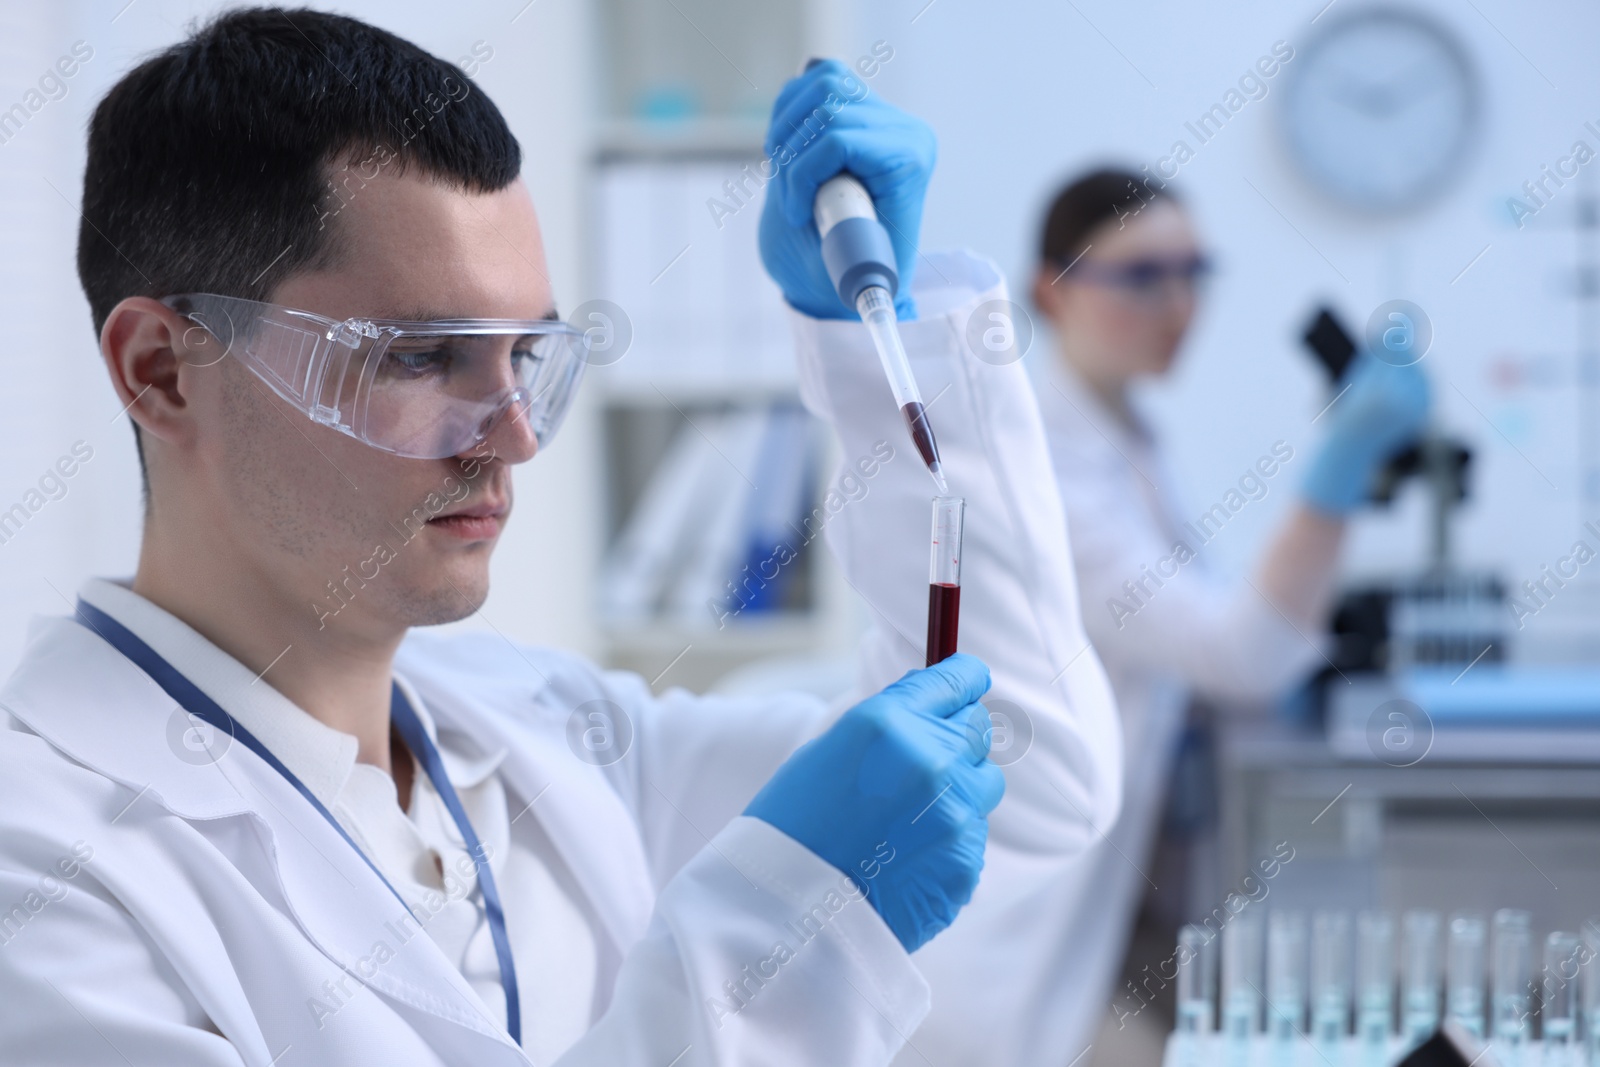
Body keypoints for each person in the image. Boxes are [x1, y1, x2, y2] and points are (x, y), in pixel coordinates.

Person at [0, 10, 1122, 1066]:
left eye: (524, 357)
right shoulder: (42, 863)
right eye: (419, 356)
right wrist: (785, 921)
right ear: (161, 369)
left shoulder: (551, 734)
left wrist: (877, 342)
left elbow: (1028, 767)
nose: (517, 439)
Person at [894, 169, 1431, 1065]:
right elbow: (1240, 651)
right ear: (1050, 292)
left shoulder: (1126, 436)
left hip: (1115, 904)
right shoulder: (1045, 472)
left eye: (1193, 272)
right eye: (1142, 276)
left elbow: (1213, 640)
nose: (1178, 304)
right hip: (1014, 941)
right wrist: (1334, 476)